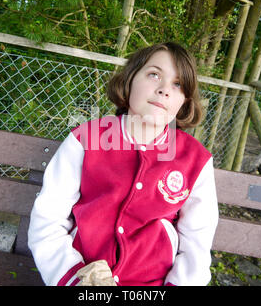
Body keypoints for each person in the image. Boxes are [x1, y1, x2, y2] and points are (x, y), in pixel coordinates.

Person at [28, 42, 219, 286]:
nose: (164, 90)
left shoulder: (195, 160)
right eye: (154, 75)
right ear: (129, 80)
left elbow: (196, 247)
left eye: (178, 84)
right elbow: (47, 221)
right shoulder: (86, 139)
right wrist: (74, 279)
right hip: (84, 278)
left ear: (184, 100)